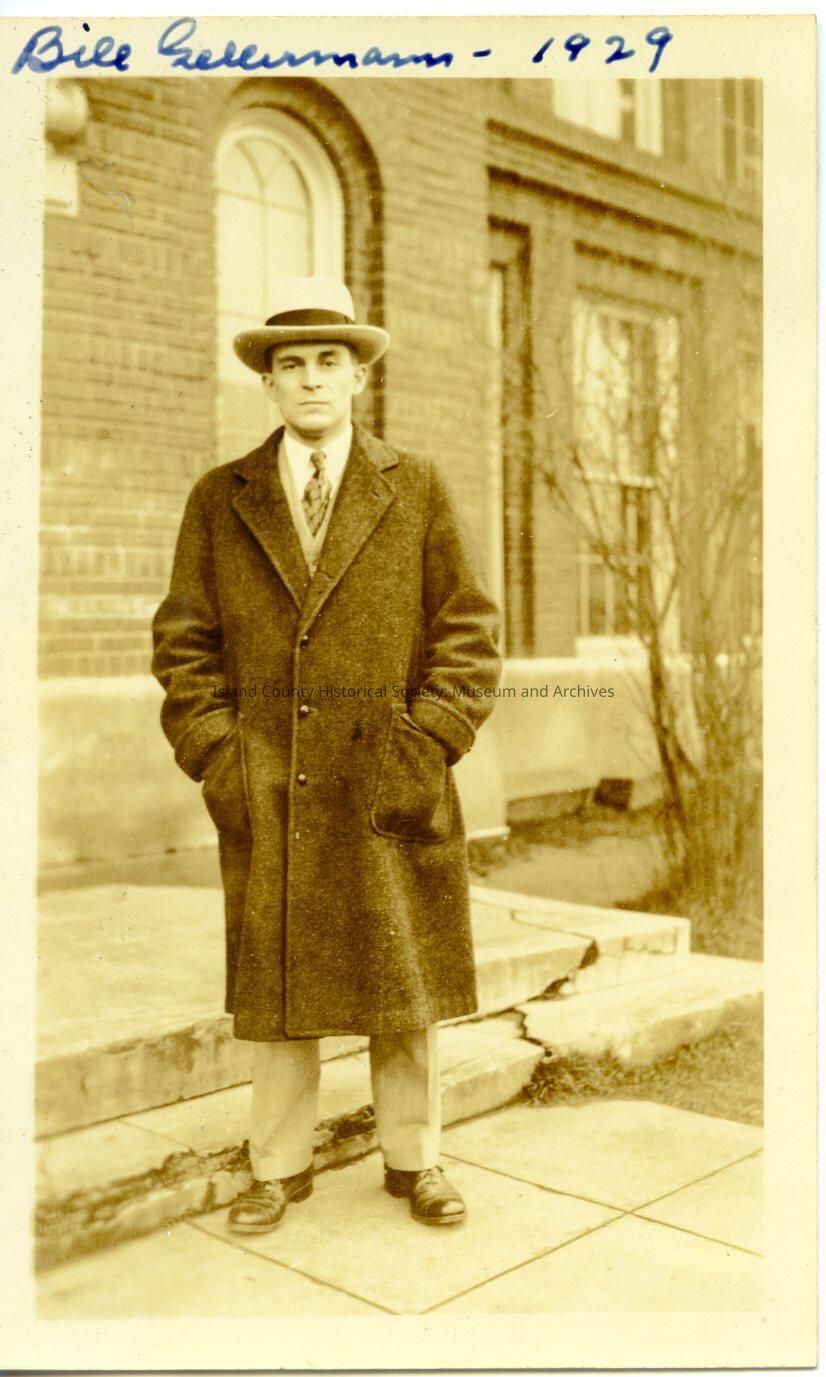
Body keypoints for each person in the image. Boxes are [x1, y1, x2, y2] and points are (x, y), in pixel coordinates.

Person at [152, 277, 501, 1234]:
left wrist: (425, 744)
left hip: (390, 775)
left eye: (329, 362)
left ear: (358, 378)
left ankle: (415, 1159)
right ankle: (277, 1167)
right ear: (268, 383)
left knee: (405, 981)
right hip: (269, 778)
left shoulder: (416, 486)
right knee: (279, 987)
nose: (311, 379)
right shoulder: (221, 498)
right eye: (291, 364)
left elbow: (468, 632)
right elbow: (184, 642)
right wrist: (220, 753)